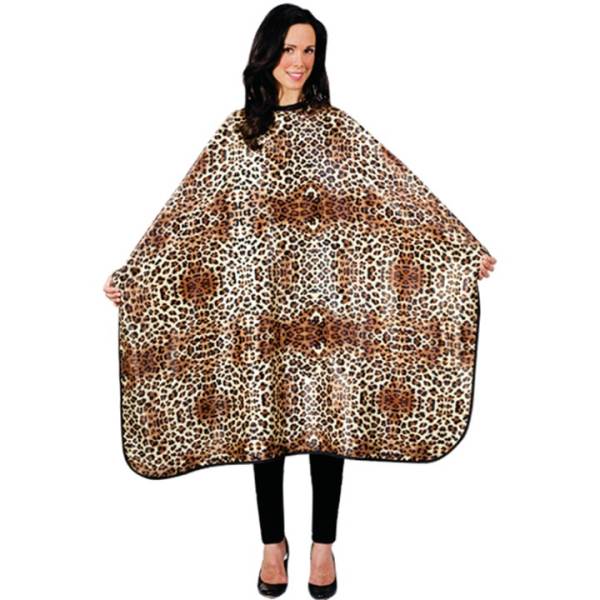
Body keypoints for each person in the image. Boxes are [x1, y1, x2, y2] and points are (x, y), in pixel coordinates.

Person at [104, 4, 496, 598]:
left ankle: (322, 546)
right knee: (264, 419)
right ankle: (271, 545)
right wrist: (135, 274)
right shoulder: (238, 133)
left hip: (328, 307)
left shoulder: (338, 129)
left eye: (309, 50)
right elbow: (188, 210)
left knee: (327, 424)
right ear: (267, 54)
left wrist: (458, 249)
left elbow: (397, 192)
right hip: (259, 307)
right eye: (289, 49)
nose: (299, 61)